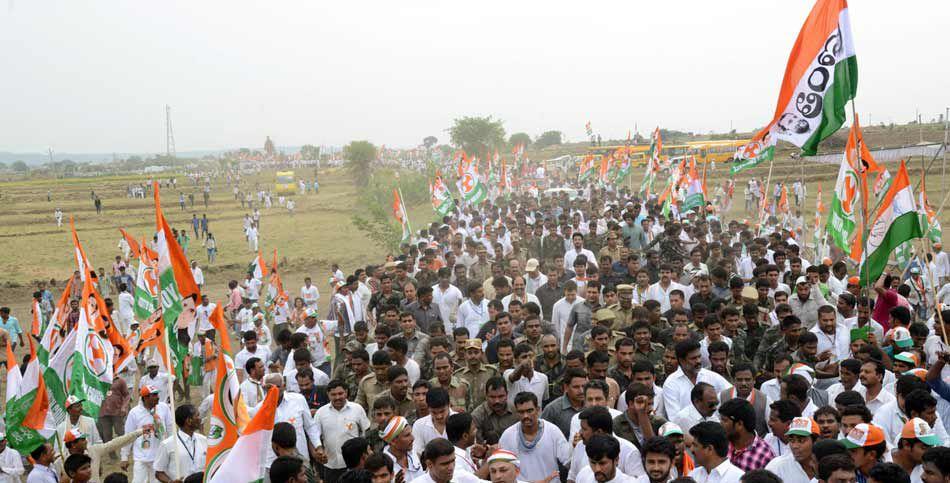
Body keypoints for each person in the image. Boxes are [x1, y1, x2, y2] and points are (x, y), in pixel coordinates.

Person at [498, 392, 571, 482]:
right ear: (516, 413)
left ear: (538, 410)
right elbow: (500, 467)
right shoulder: (508, 435)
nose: (526, 416)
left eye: (529, 411)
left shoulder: (552, 431)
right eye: (521, 412)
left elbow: (568, 461)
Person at [313, 380, 370, 483]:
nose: (337, 397)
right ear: (328, 394)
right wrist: (319, 450)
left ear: (346, 392)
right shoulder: (321, 413)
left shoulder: (357, 409)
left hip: (354, 465)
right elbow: (315, 436)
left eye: (340, 393)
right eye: (333, 394)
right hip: (331, 465)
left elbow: (366, 432)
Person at [121, 385, 174, 483]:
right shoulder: (135, 413)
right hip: (141, 457)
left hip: (159, 456)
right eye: (153, 395)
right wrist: (124, 456)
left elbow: (170, 428)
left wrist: (172, 448)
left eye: (157, 394)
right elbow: (128, 436)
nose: (157, 397)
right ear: (145, 398)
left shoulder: (164, 407)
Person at [153, 404, 208, 483]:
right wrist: (170, 482)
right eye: (197, 416)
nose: (200, 419)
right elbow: (158, 473)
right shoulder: (167, 444)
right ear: (188, 421)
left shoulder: (203, 440)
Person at [719, 398, 774, 471]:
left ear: (739, 424)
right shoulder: (719, 444)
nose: (720, 424)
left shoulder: (765, 455)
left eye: (724, 420)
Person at [380, 416, 423, 482]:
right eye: (407, 435)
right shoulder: (382, 465)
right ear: (393, 441)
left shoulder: (413, 452)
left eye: (411, 433)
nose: (413, 438)